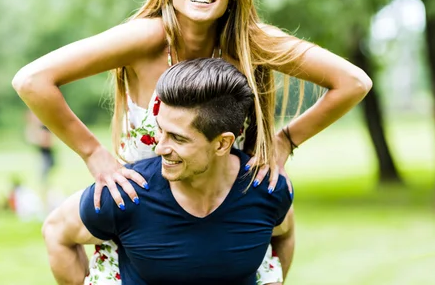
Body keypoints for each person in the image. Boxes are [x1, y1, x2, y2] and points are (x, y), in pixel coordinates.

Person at [13, 0, 372, 283]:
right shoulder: (145, 38)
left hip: (224, 208)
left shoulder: (251, 44)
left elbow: (353, 82)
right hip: (144, 217)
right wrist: (92, 153)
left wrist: (284, 140)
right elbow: (32, 81)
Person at [42, 58, 294, 285]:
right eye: (160, 130)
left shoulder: (265, 189)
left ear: (222, 143)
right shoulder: (127, 194)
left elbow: (285, 232)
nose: (160, 147)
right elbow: (55, 230)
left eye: (178, 138)